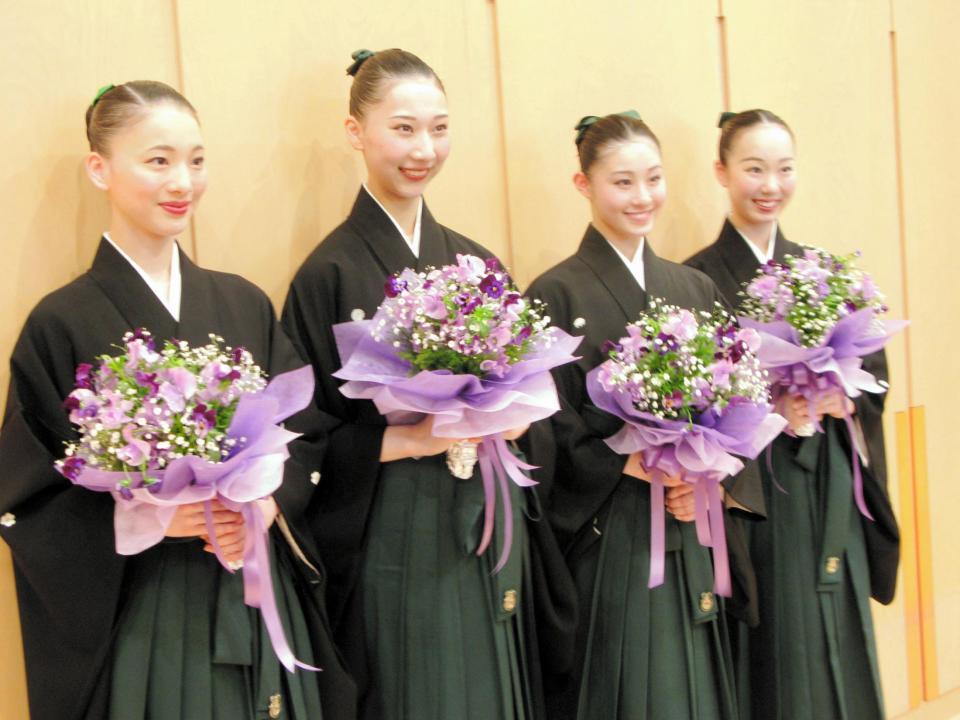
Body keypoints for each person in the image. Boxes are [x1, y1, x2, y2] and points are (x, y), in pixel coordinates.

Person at [0, 80, 354, 720]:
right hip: (147, 605)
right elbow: (27, 496)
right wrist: (152, 518)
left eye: (195, 160)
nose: (183, 182)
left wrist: (268, 502)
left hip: (252, 577)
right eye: (158, 161)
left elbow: (308, 431)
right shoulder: (61, 321)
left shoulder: (240, 301)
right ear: (99, 168)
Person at [282, 49, 572, 720]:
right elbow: (306, 440)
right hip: (393, 528)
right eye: (404, 128)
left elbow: (535, 403)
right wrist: (410, 442)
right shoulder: (327, 272)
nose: (425, 148)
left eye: (439, 128)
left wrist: (518, 418)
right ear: (355, 132)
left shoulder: (477, 262)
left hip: (488, 513)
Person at [525, 111, 753, 720]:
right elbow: (549, 424)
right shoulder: (556, 293)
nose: (643, 196)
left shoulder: (695, 288)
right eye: (623, 182)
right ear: (584, 186)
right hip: (614, 529)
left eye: (653, 179)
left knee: (693, 680)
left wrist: (705, 475)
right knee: (630, 684)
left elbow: (736, 402)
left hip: (689, 514)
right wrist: (629, 464)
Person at [685, 108, 898, 719]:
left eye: (784, 169)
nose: (770, 185)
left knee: (839, 614)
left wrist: (845, 398)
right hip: (762, 494)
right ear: (722, 172)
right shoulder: (699, 280)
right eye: (754, 168)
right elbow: (695, 396)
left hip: (828, 481)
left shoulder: (821, 274)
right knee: (779, 635)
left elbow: (874, 378)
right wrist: (768, 405)